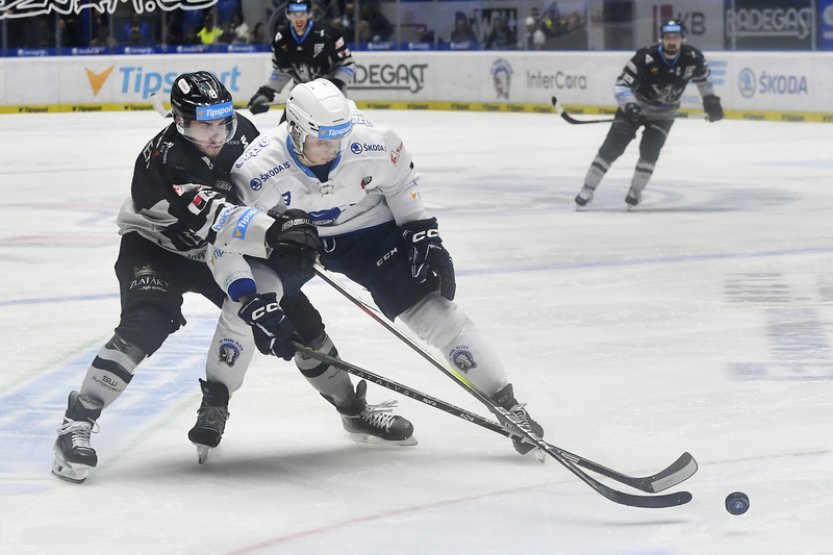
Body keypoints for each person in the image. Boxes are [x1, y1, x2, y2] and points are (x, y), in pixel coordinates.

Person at [49, 71, 376, 483]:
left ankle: (352, 409)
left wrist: (291, 220)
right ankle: (77, 421)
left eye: (222, 121)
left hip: (217, 249)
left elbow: (265, 191)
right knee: (147, 322)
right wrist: (276, 233)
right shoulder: (167, 159)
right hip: (157, 248)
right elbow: (221, 216)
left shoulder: (243, 133)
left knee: (296, 315)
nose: (217, 134)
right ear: (180, 121)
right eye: (205, 125)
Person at [230, 79, 543, 456]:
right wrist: (259, 282)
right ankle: (352, 412)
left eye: (339, 139)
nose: (332, 150)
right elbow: (235, 230)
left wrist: (420, 230)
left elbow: (401, 182)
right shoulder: (255, 168)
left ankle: (509, 407)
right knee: (289, 323)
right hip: (296, 240)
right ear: (295, 130)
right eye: (321, 140)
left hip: (369, 233)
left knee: (436, 314)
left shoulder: (372, 141)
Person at [574, 20, 723, 208]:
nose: (671, 41)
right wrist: (630, 106)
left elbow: (704, 81)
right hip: (635, 108)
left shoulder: (693, 57)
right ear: (661, 38)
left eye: (675, 37)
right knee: (612, 148)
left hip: (664, 114)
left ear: (682, 39)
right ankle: (588, 189)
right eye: (667, 37)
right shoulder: (645, 57)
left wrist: (710, 101)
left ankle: (635, 191)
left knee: (650, 152)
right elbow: (622, 85)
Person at [247, 0, 355, 115]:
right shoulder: (281, 39)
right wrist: (266, 93)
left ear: (309, 14)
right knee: (285, 131)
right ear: (288, 14)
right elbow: (282, 71)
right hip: (302, 95)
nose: (298, 19)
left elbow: (347, 64)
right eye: (294, 14)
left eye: (302, 14)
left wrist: (335, 85)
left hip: (331, 97)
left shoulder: (329, 35)